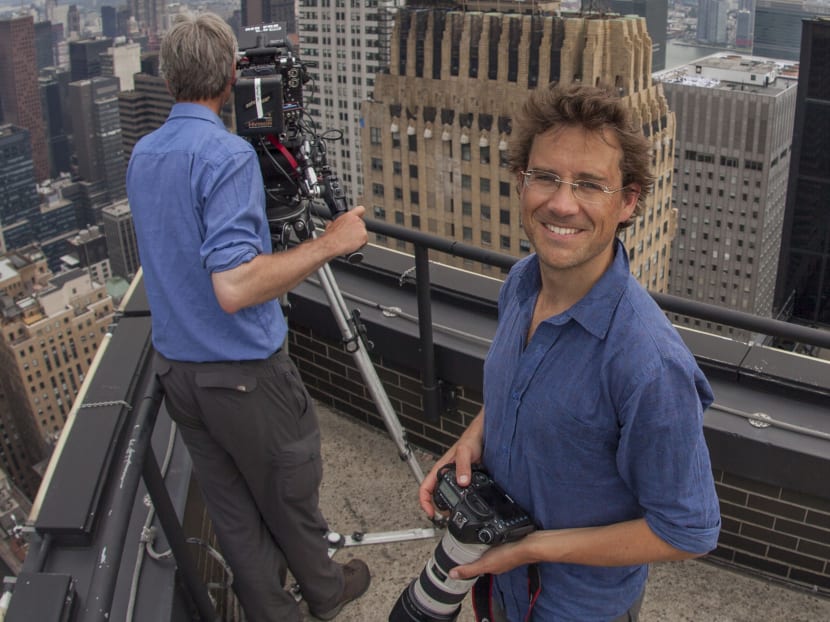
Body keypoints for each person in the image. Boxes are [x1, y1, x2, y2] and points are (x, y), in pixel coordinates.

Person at [418, 83, 721, 621]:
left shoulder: (649, 365)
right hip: (499, 590)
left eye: (589, 184)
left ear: (628, 201)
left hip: (578, 609)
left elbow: (688, 530)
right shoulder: (520, 283)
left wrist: (535, 547)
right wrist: (471, 440)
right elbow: (524, 388)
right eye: (546, 177)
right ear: (521, 181)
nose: (561, 203)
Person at [125, 12, 370, 622]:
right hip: (243, 374)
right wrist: (330, 242)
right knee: (290, 489)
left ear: (170, 77)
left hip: (178, 372)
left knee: (233, 512)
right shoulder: (227, 155)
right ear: (231, 75)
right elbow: (235, 286)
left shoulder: (143, 155)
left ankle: (270, 612)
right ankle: (324, 590)